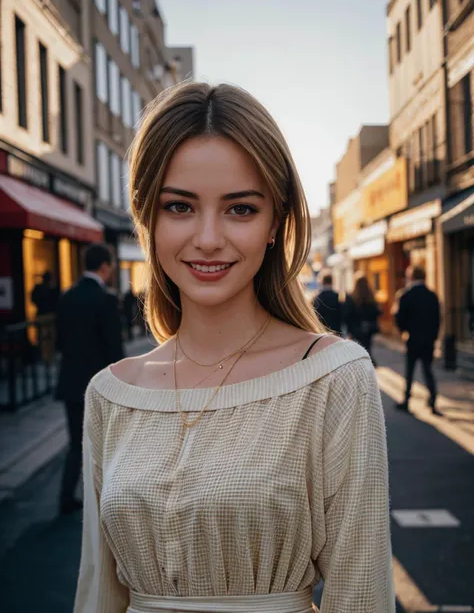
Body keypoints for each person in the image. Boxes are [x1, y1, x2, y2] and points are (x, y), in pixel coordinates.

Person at [74, 83, 394, 613]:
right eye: (179, 206)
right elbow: (98, 593)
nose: (207, 237)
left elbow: (361, 595)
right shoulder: (111, 394)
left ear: (276, 223)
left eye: (240, 209)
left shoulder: (335, 377)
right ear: (148, 219)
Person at [56, 243, 124, 516]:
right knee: (104, 443)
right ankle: (101, 498)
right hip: (99, 384)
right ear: (105, 267)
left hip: (71, 382)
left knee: (76, 443)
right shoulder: (106, 299)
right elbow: (114, 349)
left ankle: (65, 497)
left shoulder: (67, 296)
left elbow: (60, 342)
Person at [395, 265, 441, 415]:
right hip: (428, 339)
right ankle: (433, 401)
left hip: (412, 338)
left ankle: (406, 400)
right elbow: (437, 319)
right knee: (428, 370)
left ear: (411, 277)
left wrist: (404, 331)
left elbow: (400, 318)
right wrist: (434, 336)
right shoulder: (432, 295)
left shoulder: (406, 295)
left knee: (410, 371)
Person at [344, 272, 381, 366]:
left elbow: (347, 316)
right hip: (368, 329)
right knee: (367, 348)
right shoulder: (371, 297)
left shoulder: (351, 298)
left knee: (358, 352)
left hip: (355, 330)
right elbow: (376, 313)